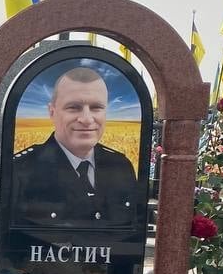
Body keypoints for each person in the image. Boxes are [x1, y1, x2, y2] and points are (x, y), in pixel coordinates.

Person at [11, 65, 140, 227]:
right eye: (73, 107)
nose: (86, 119)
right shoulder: (21, 170)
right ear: (52, 112)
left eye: (96, 108)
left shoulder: (121, 166)